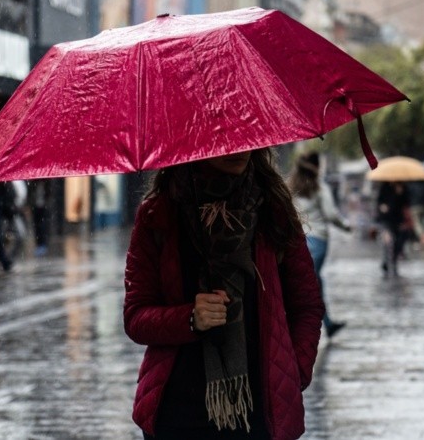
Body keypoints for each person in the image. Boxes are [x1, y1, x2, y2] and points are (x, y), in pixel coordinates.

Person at [124, 148, 324, 440]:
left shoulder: (273, 211)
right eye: (223, 138)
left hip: (258, 414)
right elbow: (136, 317)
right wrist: (190, 318)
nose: (239, 150)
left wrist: (295, 372)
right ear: (194, 141)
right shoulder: (159, 215)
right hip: (178, 413)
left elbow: (306, 305)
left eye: (246, 137)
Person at [288, 151, 350, 338]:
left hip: (298, 239)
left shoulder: (289, 187)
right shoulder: (319, 188)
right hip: (318, 240)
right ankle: (309, 326)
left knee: (308, 282)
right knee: (311, 283)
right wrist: (346, 226)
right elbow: (331, 214)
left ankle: (324, 323)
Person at [375, 181, 410, 277]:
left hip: (398, 219)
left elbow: (407, 203)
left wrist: (400, 194)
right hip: (385, 219)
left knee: (398, 242)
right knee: (387, 241)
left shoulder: (403, 187)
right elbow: (379, 201)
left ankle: (394, 261)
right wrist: (382, 206)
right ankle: (386, 262)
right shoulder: (385, 187)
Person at [406, 180, 424, 249]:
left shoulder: (411, 185)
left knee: (417, 224)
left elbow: (407, 196)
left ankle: (423, 238)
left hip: (414, 206)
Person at [28, 179, 51, 257]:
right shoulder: (33, 183)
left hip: (43, 207)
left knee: (42, 226)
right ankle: (39, 244)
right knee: (37, 226)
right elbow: (30, 195)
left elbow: (49, 194)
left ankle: (43, 244)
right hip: (36, 207)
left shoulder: (47, 183)